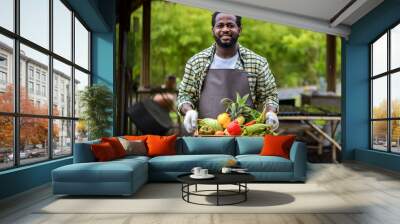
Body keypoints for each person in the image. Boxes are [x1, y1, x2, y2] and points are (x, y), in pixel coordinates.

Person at [177, 12, 279, 134]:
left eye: (230, 25)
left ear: (239, 30)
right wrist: (188, 111)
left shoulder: (257, 62)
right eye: (220, 25)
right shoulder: (196, 62)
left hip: (247, 136)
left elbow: (270, 95)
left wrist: (270, 112)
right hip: (206, 135)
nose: (225, 29)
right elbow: (185, 95)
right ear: (213, 30)